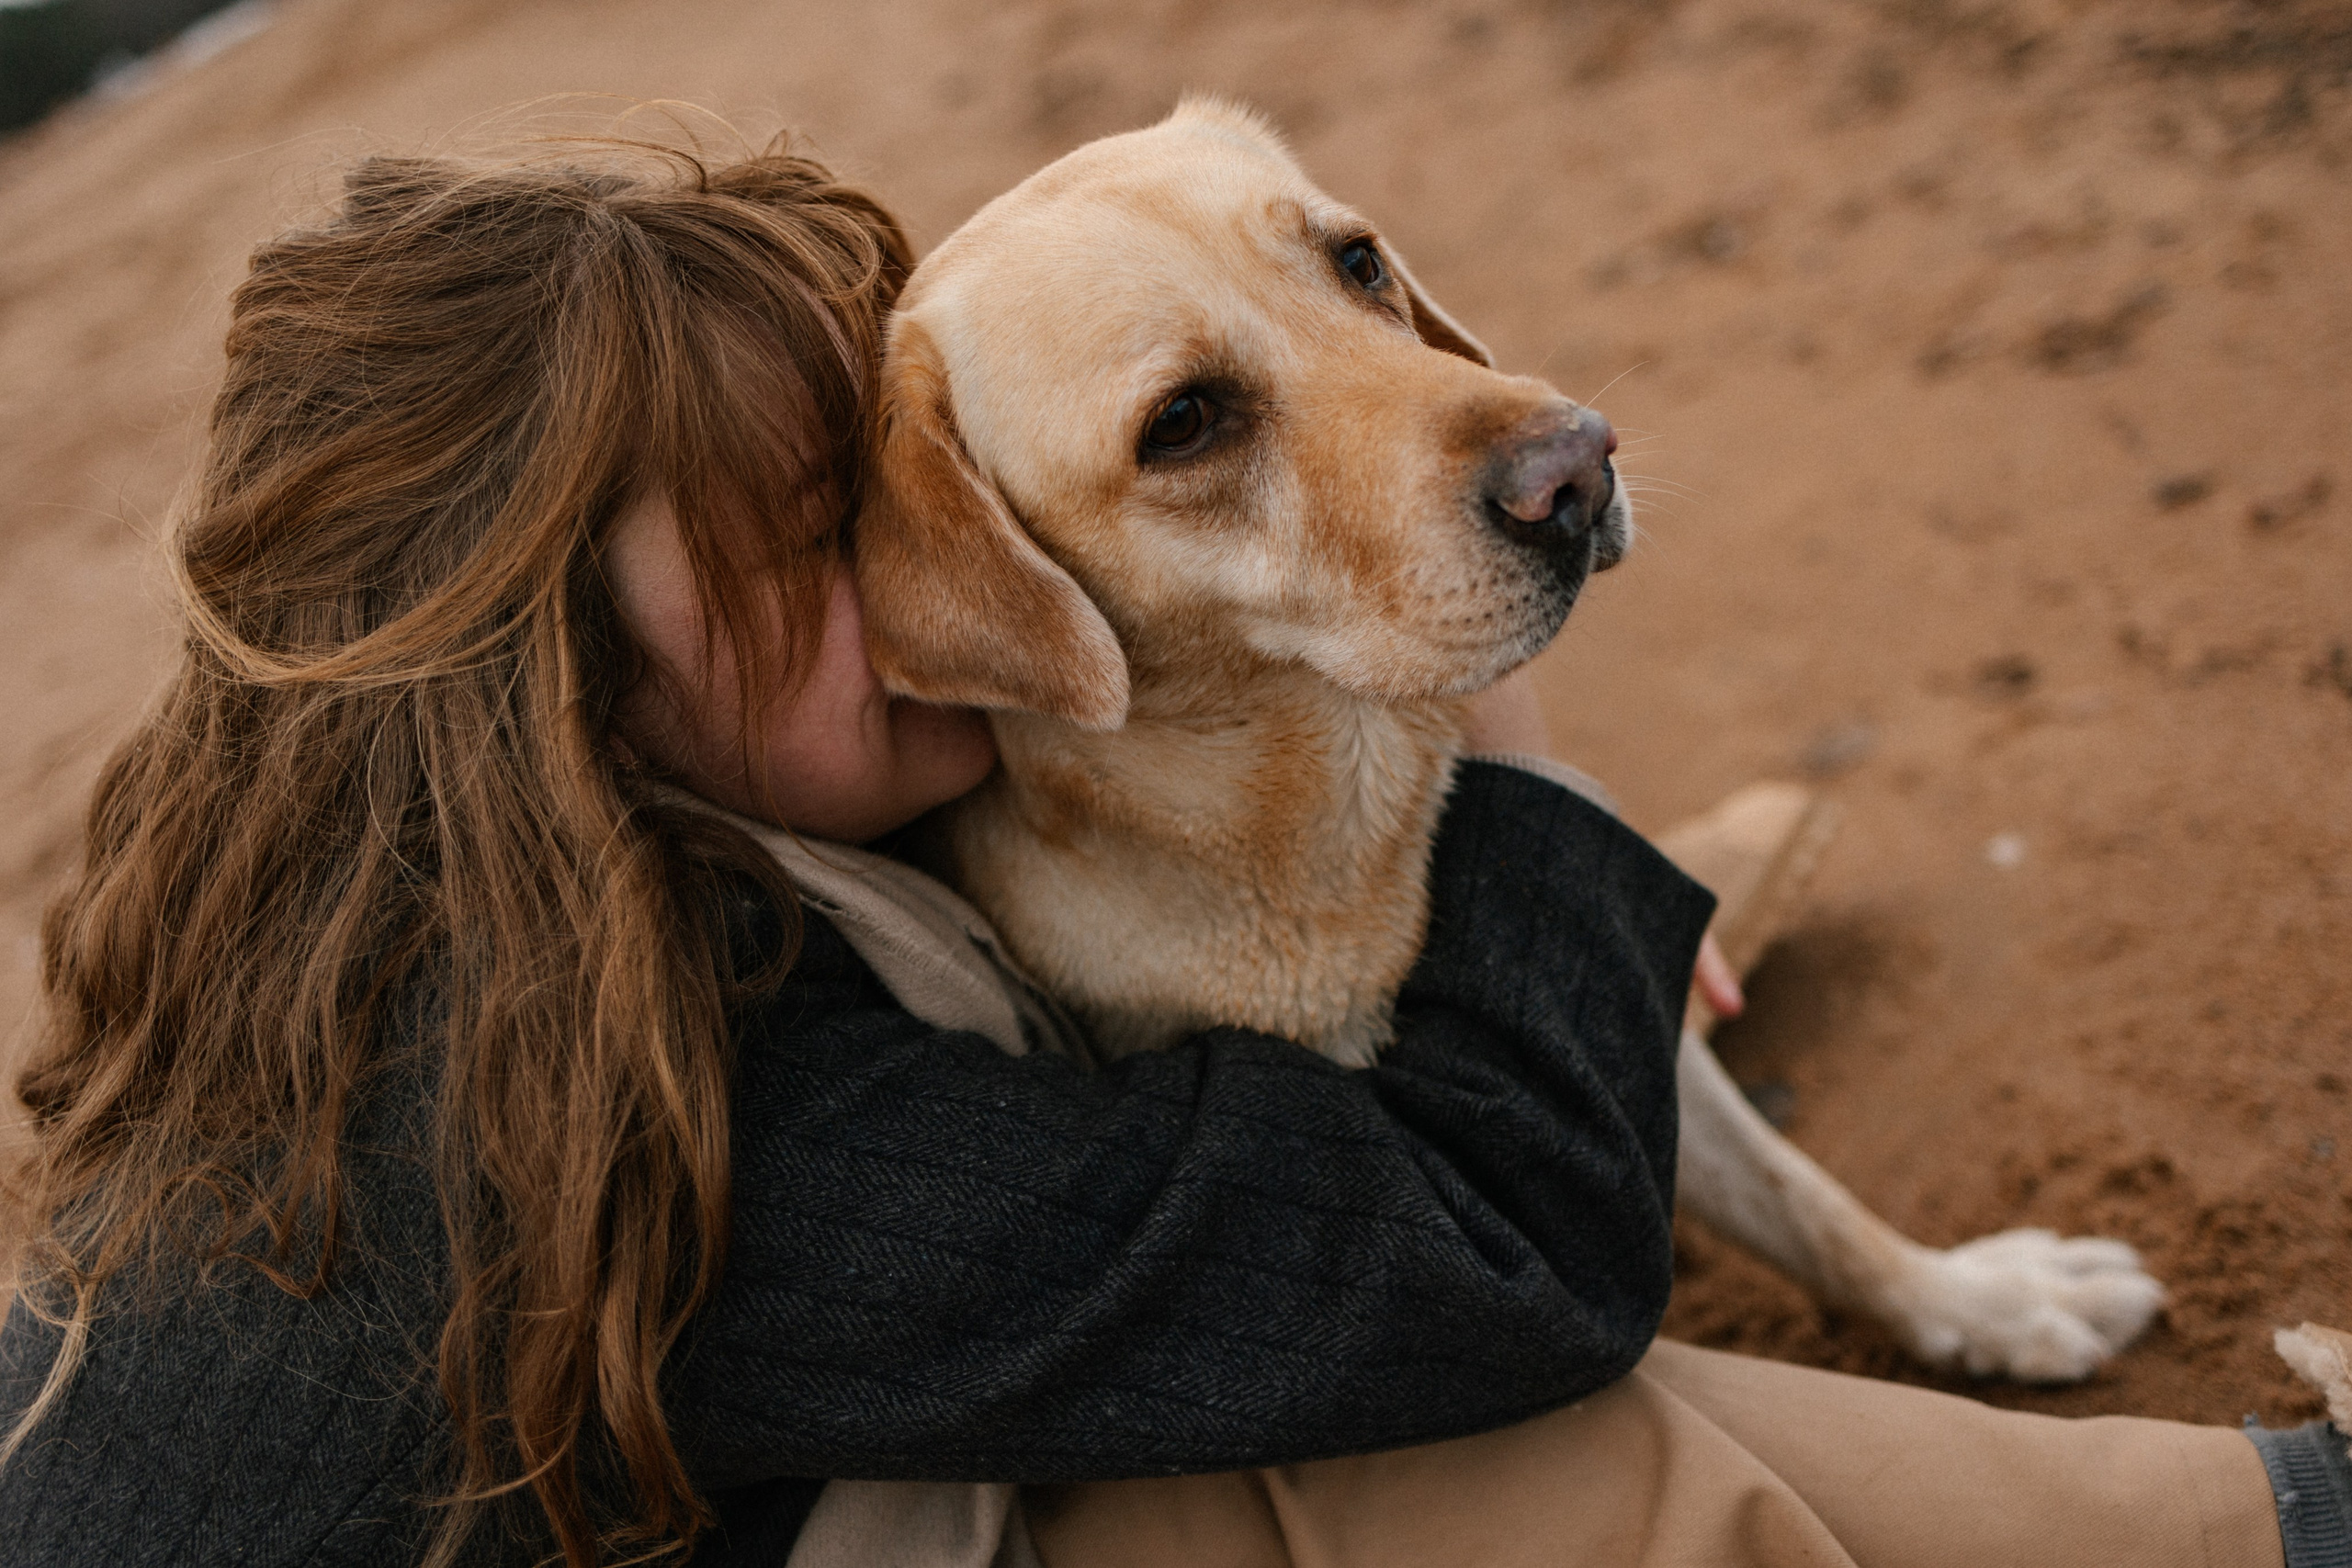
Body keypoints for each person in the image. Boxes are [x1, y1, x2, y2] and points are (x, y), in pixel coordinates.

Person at [0, 135, 2343, 1568]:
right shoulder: (637, 1128)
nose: (945, 576)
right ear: (551, 701)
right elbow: (1499, 1251)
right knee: (1357, 1461)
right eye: (828, 534)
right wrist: (1515, 777)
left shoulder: (489, 909)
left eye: (910, 488)